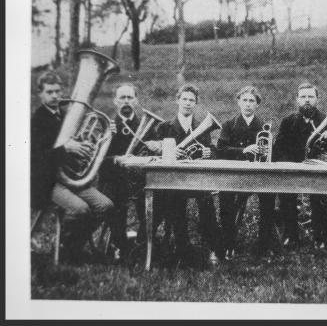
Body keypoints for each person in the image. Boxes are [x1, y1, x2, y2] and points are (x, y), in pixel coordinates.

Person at [31, 71, 114, 264]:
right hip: (48, 182)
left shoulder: (65, 115)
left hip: (71, 178)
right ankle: (69, 251)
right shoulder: (37, 120)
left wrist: (87, 146)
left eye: (58, 91)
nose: (55, 96)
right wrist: (66, 148)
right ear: (40, 94)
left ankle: (71, 245)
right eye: (49, 92)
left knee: (106, 206)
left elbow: (81, 141)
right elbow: (35, 159)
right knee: (80, 209)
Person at [147, 84, 221, 266]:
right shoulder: (164, 127)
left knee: (207, 203)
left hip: (196, 180)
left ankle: (213, 248)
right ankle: (183, 248)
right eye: (184, 99)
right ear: (177, 101)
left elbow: (212, 150)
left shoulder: (202, 127)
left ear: (196, 104)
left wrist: (208, 153)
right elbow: (153, 153)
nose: (188, 103)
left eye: (192, 100)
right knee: (173, 203)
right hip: (172, 181)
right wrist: (168, 152)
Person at [273, 82, 327, 249]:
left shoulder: (325, 119)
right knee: (287, 197)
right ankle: (291, 235)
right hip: (294, 168)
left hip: (317, 169)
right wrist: (289, 166)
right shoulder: (288, 121)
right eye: (303, 97)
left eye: (311, 97)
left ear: (317, 99)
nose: (307, 100)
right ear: (297, 100)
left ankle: (321, 237)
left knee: (318, 198)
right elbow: (278, 148)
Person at [99, 83, 159, 259]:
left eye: (130, 98)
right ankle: (119, 243)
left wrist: (157, 146)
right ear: (115, 101)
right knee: (114, 202)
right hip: (113, 179)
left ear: (136, 101)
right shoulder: (107, 125)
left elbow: (155, 153)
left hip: (139, 180)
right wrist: (115, 159)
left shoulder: (145, 125)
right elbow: (99, 161)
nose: (126, 101)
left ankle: (142, 243)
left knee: (154, 204)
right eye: (122, 98)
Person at [216, 86, 277, 259]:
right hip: (235, 173)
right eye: (244, 100)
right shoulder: (229, 125)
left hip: (259, 175)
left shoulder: (263, 127)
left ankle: (264, 245)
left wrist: (266, 150)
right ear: (238, 102)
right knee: (226, 200)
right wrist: (243, 150)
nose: (248, 104)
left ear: (257, 105)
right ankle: (228, 244)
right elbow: (220, 149)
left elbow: (271, 153)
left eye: (252, 101)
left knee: (269, 200)